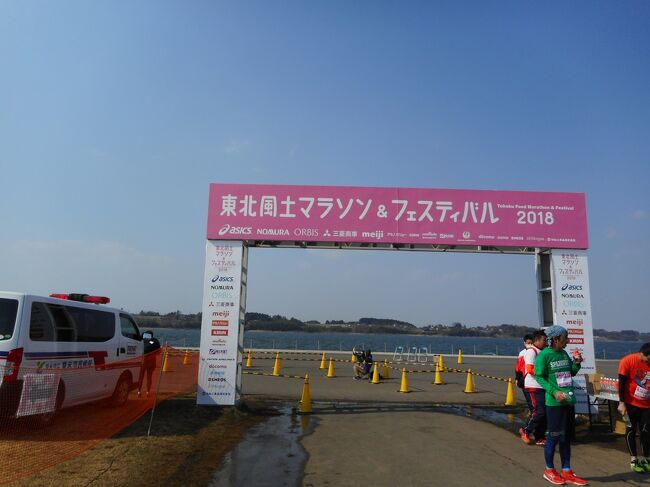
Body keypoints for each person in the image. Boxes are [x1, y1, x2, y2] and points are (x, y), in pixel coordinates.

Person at [535, 325, 588, 485]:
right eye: (566, 337)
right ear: (556, 339)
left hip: (568, 401)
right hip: (554, 403)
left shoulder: (564, 353)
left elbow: (570, 372)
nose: (568, 340)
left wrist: (577, 363)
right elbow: (539, 377)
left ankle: (566, 470)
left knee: (566, 438)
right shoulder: (544, 355)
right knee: (554, 436)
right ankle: (549, 470)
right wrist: (554, 392)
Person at [617, 342, 650, 473]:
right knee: (631, 430)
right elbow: (622, 383)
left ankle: (646, 459)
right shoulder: (628, 361)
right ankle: (633, 459)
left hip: (647, 404)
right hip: (630, 403)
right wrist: (621, 402)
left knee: (646, 431)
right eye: (648, 358)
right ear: (642, 354)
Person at [520, 330, 548, 446]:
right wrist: (545, 373)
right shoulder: (532, 351)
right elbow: (530, 369)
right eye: (544, 340)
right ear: (537, 340)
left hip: (543, 385)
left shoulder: (544, 351)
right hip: (533, 385)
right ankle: (526, 431)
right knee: (539, 411)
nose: (546, 342)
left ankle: (540, 436)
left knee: (545, 412)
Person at [138, 331, 161, 397]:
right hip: (151, 361)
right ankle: (147, 391)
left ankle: (139, 391)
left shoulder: (142, 340)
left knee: (141, 377)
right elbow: (158, 351)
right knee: (149, 377)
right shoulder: (154, 341)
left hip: (142, 361)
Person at [516, 334, 535, 413]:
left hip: (534, 381)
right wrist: (517, 379)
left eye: (531, 343)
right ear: (524, 343)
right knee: (530, 402)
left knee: (535, 403)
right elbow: (518, 368)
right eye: (528, 343)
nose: (530, 345)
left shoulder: (536, 352)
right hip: (524, 380)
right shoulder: (522, 353)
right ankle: (532, 415)